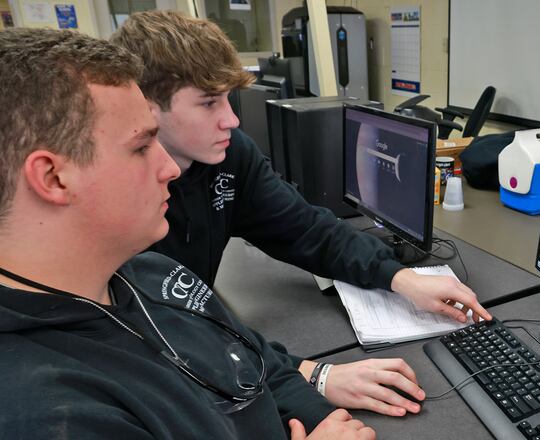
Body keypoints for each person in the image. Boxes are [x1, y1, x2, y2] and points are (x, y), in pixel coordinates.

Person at [110, 11, 492, 416]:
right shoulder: (114, 194)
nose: (232, 119)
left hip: (210, 345)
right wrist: (311, 375)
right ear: (146, 107)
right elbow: (156, 335)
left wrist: (398, 277)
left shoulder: (227, 155)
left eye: (227, 98)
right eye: (208, 103)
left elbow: (306, 229)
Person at [0, 27, 374, 439]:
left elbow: (247, 359)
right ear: (53, 177)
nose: (171, 169)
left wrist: (318, 413)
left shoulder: (152, 274)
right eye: (142, 147)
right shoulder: (43, 410)